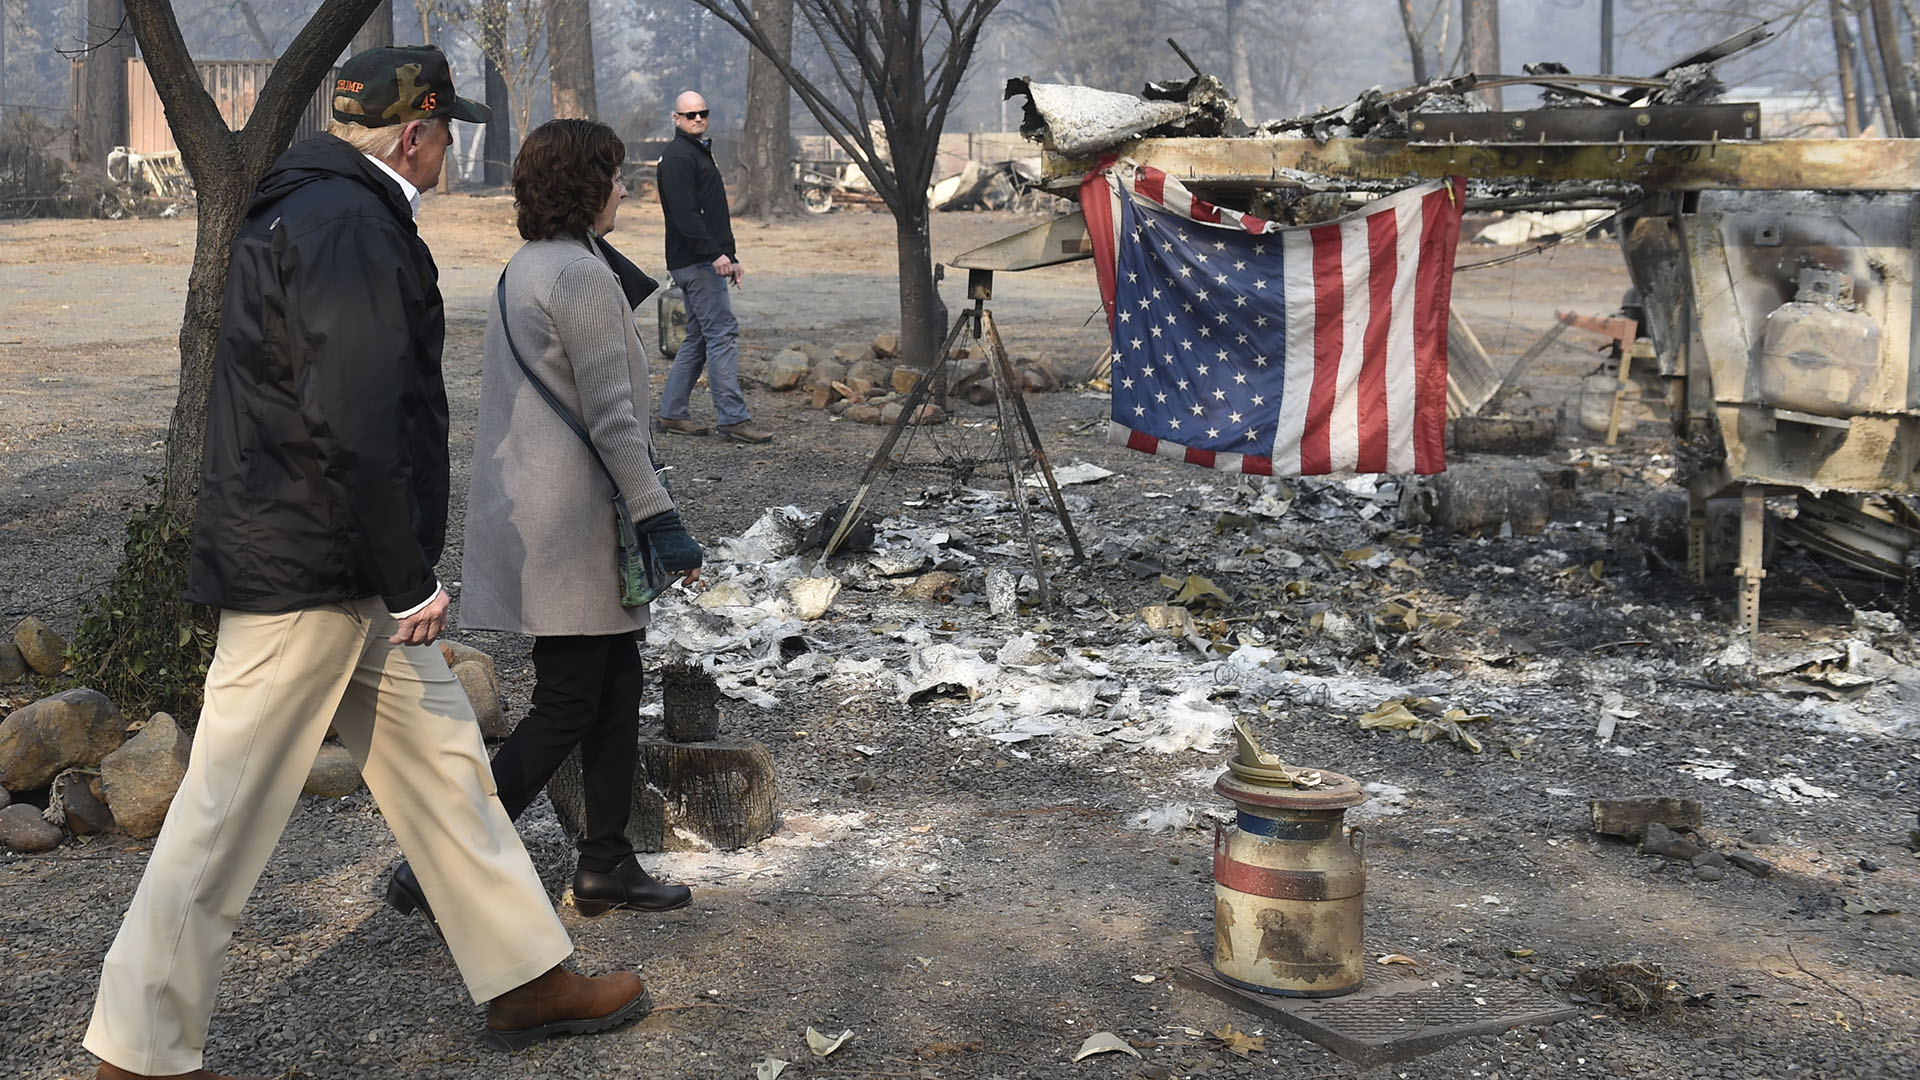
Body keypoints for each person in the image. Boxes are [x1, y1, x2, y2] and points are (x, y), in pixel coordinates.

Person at [82, 47, 650, 1080]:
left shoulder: (318, 203)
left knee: (444, 774)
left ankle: (525, 976)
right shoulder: (350, 225)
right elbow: (354, 418)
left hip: (327, 559)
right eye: (448, 132)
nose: (450, 150)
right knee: (222, 808)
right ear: (417, 133)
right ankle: (137, 1046)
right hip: (315, 568)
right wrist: (409, 575)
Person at [384, 118, 700, 934]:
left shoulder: (530, 266)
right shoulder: (577, 275)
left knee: (615, 683)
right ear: (584, 186)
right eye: (613, 176)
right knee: (567, 701)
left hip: (543, 512)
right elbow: (617, 420)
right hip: (571, 527)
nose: (624, 189)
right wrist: (663, 522)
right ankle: (441, 860)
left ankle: (605, 860)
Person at [655, 90, 772, 444]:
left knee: (699, 338)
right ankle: (733, 419)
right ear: (675, 119)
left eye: (702, 112)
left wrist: (730, 255)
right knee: (721, 334)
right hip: (697, 262)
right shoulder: (677, 157)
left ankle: (672, 413)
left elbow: (714, 213)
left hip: (705, 259)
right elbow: (685, 216)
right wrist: (714, 255)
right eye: (689, 115)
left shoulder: (697, 153)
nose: (697, 119)